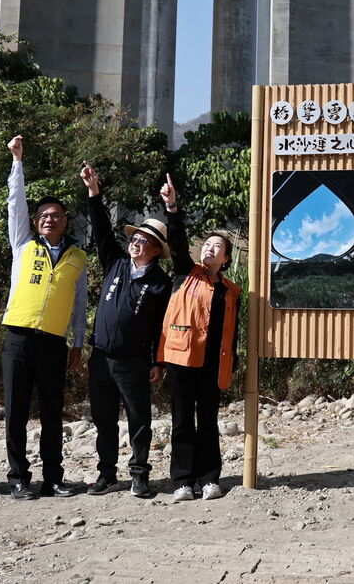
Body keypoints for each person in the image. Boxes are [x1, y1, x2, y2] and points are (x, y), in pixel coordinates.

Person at [81, 164, 179, 499]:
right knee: (103, 419)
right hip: (101, 357)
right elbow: (101, 230)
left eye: (145, 241)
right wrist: (94, 192)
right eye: (135, 238)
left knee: (139, 420)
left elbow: (162, 327)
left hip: (134, 361)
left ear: (156, 249)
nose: (136, 243)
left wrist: (158, 362)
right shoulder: (116, 262)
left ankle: (139, 475)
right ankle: (107, 475)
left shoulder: (161, 283)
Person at [1, 135, 88, 500]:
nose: (50, 219)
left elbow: (80, 302)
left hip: (54, 342)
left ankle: (53, 478)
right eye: (44, 216)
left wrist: (79, 341)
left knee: (53, 412)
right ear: (35, 222)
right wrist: (17, 162)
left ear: (65, 222)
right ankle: (18, 478)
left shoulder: (77, 257)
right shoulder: (23, 245)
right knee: (16, 411)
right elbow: (15, 205)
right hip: (18, 338)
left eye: (56, 215)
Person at [157, 220, 241, 502]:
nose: (209, 248)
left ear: (226, 258)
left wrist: (233, 359)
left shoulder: (231, 291)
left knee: (208, 421)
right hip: (182, 358)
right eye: (207, 244)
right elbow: (178, 245)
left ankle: (209, 479)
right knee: (182, 421)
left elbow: (233, 329)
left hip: (214, 363)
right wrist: (172, 209)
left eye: (217, 246)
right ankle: (182, 481)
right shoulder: (186, 273)